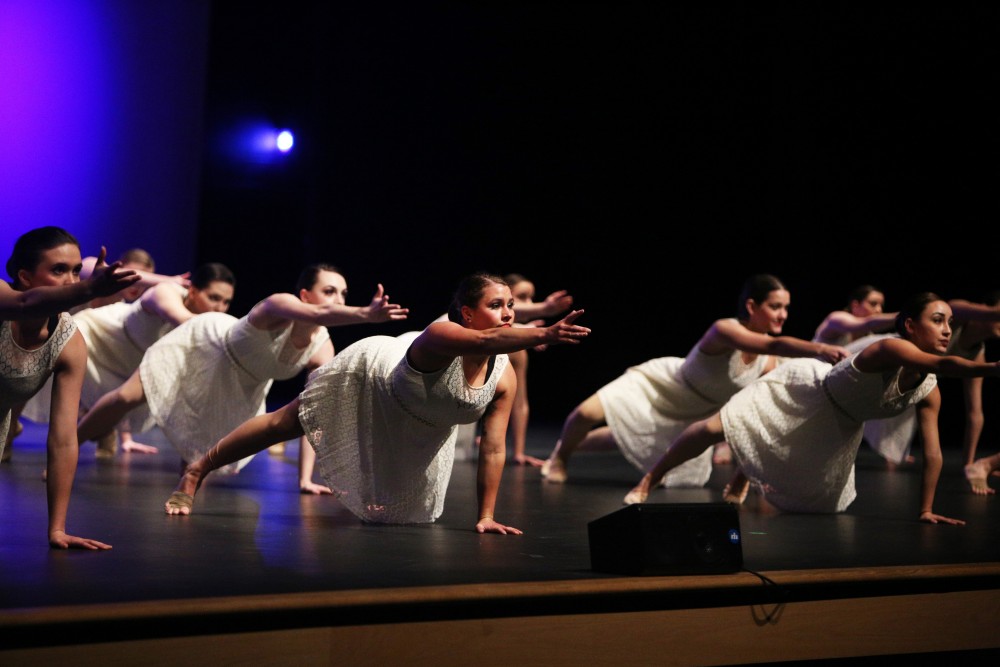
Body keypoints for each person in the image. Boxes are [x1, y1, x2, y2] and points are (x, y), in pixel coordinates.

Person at [162, 272, 591, 535]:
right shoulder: (442, 335)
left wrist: (486, 515)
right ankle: (199, 468)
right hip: (371, 370)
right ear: (465, 313)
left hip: (417, 414)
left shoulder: (504, 376)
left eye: (511, 306)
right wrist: (546, 333)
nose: (508, 313)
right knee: (284, 424)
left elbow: (493, 447)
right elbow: (485, 340)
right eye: (495, 305)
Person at [623, 292, 1000, 525]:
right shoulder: (890, 348)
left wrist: (925, 510)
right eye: (938, 321)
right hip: (805, 390)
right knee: (713, 430)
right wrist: (991, 368)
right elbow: (947, 365)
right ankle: (649, 480)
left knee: (812, 503)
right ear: (910, 326)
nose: (948, 330)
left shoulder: (929, 391)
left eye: (951, 323)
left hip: (838, 428)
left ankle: (742, 476)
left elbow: (933, 454)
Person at [76, 264, 409, 477]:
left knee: (200, 447)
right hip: (206, 340)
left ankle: (184, 491)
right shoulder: (279, 304)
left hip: (241, 380)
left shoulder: (321, 344)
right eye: (329, 291)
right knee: (128, 396)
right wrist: (365, 314)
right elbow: (321, 313)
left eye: (343, 294)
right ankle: (67, 447)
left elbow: (312, 410)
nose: (337, 299)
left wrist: (305, 480)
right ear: (305, 295)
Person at [541, 273, 849, 489]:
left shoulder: (771, 362)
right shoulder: (724, 330)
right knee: (586, 414)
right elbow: (771, 344)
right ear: (752, 306)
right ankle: (560, 458)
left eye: (786, 308)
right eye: (775, 306)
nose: (783, 315)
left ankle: (567, 448)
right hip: (665, 387)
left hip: (696, 412)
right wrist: (820, 348)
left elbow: (766, 394)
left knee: (617, 438)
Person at [1, 226, 138, 548]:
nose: (72, 281)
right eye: (58, 270)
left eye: (77, 271)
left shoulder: (68, 341)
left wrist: (57, 529)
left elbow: (63, 440)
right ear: (25, 276)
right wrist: (91, 289)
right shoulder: (5, 300)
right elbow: (24, 305)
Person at [17, 262, 237, 460]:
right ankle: (8, 430)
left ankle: (90, 437)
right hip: (99, 336)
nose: (219, 307)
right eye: (214, 298)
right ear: (193, 291)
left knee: (121, 400)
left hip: (128, 362)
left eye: (226, 302)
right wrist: (240, 331)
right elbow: (186, 321)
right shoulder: (166, 292)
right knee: (37, 372)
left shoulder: (208, 321)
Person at [812, 284, 898, 346]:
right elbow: (868, 323)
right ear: (855, 305)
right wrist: (903, 316)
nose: (879, 310)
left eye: (881, 306)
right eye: (873, 304)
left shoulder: (869, 336)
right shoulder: (837, 318)